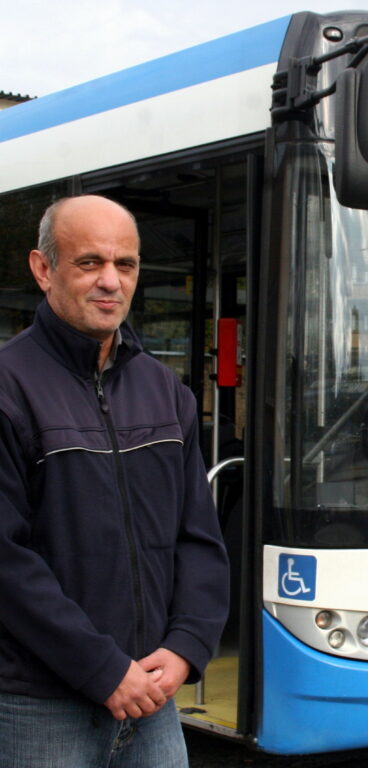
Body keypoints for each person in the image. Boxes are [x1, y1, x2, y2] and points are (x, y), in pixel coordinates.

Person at [0, 195, 229, 767]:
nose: (110, 281)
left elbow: (199, 537)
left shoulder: (166, 391)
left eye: (125, 264)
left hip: (152, 700)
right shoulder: (7, 387)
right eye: (89, 263)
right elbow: (6, 562)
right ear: (43, 268)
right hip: (39, 707)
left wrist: (186, 646)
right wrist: (102, 670)